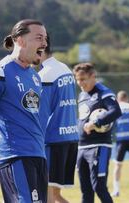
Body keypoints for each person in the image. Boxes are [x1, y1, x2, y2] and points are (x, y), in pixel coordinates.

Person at [0, 19, 48, 203]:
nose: (44, 43)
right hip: (15, 157)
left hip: (38, 155)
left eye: (45, 38)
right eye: (38, 38)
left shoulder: (35, 77)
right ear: (19, 40)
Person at [38, 34, 79, 203]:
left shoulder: (45, 75)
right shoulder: (65, 69)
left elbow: (41, 113)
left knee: (45, 193)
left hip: (53, 140)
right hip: (70, 137)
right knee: (55, 195)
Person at [73, 63, 122, 203]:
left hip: (99, 146)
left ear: (93, 76)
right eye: (78, 79)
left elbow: (116, 111)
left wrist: (96, 123)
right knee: (85, 190)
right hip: (81, 147)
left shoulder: (103, 92)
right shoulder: (82, 95)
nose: (80, 83)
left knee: (99, 187)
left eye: (83, 79)